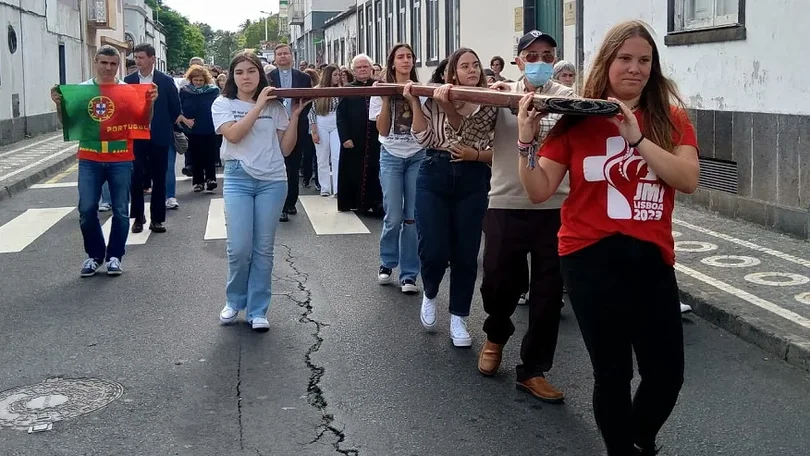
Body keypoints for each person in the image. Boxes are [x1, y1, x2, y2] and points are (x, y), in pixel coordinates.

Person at [519, 20, 699, 456]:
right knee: (613, 373)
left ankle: (638, 436)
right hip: (587, 257)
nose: (634, 68)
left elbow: (688, 179)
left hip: (651, 258)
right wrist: (526, 142)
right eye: (625, 58)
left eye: (644, 60)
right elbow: (540, 189)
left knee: (665, 374)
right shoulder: (579, 119)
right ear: (608, 62)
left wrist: (636, 137)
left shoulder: (670, 119)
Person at [477, 30, 573, 404]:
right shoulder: (500, 96)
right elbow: (469, 128)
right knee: (499, 281)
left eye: (546, 55)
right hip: (505, 203)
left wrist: (535, 104)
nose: (539, 62)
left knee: (548, 295)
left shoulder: (566, 98)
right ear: (518, 60)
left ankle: (533, 369)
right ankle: (496, 334)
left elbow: (570, 109)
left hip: (556, 206)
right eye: (531, 56)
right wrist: (486, 97)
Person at [213, 51, 310, 332]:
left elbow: (286, 149)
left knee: (263, 249)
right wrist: (258, 107)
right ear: (232, 76)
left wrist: (293, 118)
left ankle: (258, 309)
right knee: (239, 248)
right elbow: (233, 135)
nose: (246, 77)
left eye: (251, 71)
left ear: (260, 74)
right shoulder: (223, 103)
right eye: (240, 72)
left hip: (272, 181)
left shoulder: (276, 107)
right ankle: (234, 301)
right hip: (238, 178)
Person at [409, 47, 497, 347]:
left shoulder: (491, 101)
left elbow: (473, 141)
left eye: (476, 65)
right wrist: (414, 102)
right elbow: (422, 138)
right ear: (452, 72)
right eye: (464, 66)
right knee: (433, 249)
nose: (472, 70)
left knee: (466, 253)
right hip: (434, 171)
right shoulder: (435, 96)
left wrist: (476, 155)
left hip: (473, 177)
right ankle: (430, 292)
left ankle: (459, 316)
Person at [50, 45, 157, 276]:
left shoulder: (129, 91)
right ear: (95, 63)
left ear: (118, 65)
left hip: (121, 158)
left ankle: (115, 256)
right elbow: (68, 123)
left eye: (113, 64)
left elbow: (142, 122)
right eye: (104, 63)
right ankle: (95, 255)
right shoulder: (82, 91)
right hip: (90, 158)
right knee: (87, 210)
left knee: (120, 210)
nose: (108, 67)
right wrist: (60, 105)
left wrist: (150, 102)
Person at [369, 44, 425, 294]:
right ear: (392, 62)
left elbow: (422, 128)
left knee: (412, 217)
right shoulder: (380, 89)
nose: (405, 60)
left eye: (409, 57)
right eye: (400, 57)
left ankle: (409, 274)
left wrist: (413, 101)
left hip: (416, 155)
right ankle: (387, 261)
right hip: (391, 154)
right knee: (393, 216)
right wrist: (384, 100)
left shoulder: (422, 89)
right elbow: (381, 130)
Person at [125, 43, 183, 234]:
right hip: (136, 135)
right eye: (136, 57)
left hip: (158, 135)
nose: (138, 61)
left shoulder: (165, 81)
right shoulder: (128, 80)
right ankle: (138, 217)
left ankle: (157, 219)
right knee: (137, 177)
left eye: (141, 57)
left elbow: (175, 108)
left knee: (159, 177)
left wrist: (170, 124)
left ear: (152, 58)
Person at [268, 44, 315, 222]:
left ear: (291, 56)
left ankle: (290, 203)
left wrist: (297, 115)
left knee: (293, 165)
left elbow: (309, 99)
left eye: (286, 53)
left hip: (297, 125)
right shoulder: (268, 77)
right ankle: (277, 203)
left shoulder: (303, 77)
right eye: (279, 54)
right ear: (275, 57)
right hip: (274, 127)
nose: (283, 57)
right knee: (276, 164)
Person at [335, 54, 383, 214]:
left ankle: (375, 203)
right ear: (353, 71)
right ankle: (353, 202)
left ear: (371, 69)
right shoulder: (348, 89)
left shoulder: (380, 86)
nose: (362, 70)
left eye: (365, 67)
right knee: (353, 171)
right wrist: (345, 137)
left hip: (376, 139)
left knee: (375, 171)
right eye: (359, 67)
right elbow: (341, 116)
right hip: (354, 138)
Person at [179, 64, 220, 193]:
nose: (198, 83)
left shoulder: (213, 91)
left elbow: (218, 107)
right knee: (196, 155)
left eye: (201, 80)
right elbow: (180, 108)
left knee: (210, 154)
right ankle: (198, 182)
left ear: (206, 80)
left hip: (209, 126)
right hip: (192, 128)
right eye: (196, 80)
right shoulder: (185, 91)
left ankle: (211, 179)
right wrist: (185, 120)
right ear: (191, 79)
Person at [309, 64, 343, 196]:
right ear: (328, 76)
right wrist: (314, 131)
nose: (337, 77)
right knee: (322, 157)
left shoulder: (340, 90)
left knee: (336, 157)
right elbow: (311, 112)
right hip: (321, 122)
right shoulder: (318, 90)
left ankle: (337, 188)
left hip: (336, 124)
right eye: (335, 75)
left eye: (339, 74)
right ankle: (325, 187)